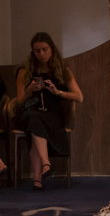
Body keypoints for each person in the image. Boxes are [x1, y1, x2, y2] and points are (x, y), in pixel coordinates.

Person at [15, 32, 83, 191]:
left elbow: (79, 97)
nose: (41, 54)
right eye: (37, 51)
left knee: (35, 127)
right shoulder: (24, 71)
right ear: (33, 51)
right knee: (33, 118)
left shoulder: (62, 70)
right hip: (29, 111)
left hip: (52, 114)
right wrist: (29, 90)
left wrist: (57, 92)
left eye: (44, 49)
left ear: (52, 48)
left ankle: (37, 178)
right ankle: (46, 164)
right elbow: (19, 101)